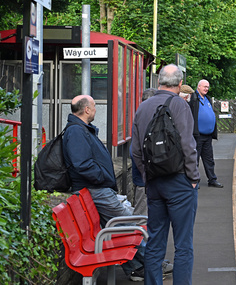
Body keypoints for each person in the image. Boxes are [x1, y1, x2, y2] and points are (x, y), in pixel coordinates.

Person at [62, 95, 151, 281]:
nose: (95, 109)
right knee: (129, 222)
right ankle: (153, 261)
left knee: (122, 224)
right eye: (94, 106)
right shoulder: (76, 132)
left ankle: (136, 267)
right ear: (86, 109)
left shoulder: (82, 129)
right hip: (96, 189)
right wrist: (103, 178)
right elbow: (82, 164)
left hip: (97, 188)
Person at [132, 64, 200, 285]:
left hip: (154, 184)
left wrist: (146, 177)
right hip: (179, 181)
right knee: (183, 244)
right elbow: (188, 146)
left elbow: (135, 150)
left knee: (155, 242)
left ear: (158, 81)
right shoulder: (180, 106)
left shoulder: (142, 107)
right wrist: (193, 178)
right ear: (180, 84)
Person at [188, 79, 223, 188]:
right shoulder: (193, 98)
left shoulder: (207, 99)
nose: (206, 89)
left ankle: (212, 179)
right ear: (198, 87)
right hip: (197, 135)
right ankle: (195, 181)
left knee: (209, 159)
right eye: (204, 86)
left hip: (207, 136)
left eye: (207, 87)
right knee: (195, 159)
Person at [131, 88, 157, 216]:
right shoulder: (145, 120)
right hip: (144, 179)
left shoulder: (139, 116)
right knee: (142, 216)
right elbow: (135, 151)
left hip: (145, 177)